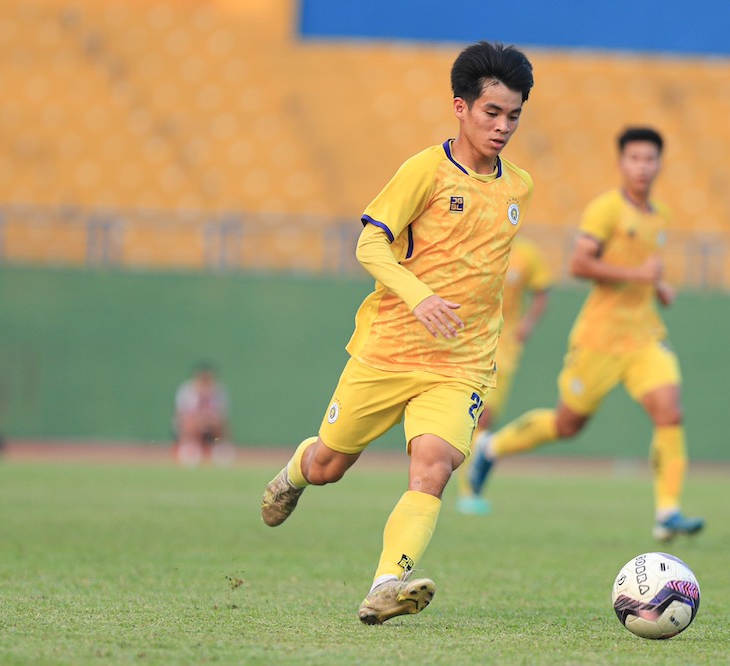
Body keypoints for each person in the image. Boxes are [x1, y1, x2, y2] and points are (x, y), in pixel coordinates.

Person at [259, 41, 534, 625]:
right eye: (492, 112)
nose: (503, 126)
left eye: (513, 115)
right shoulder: (424, 170)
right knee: (329, 465)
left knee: (433, 467)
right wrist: (420, 295)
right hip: (388, 349)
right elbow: (369, 243)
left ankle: (387, 584)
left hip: (462, 363)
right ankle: (292, 474)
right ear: (460, 107)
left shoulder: (519, 188)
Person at [467, 127, 705, 542]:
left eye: (650, 159)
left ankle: (667, 512)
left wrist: (658, 287)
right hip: (598, 339)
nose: (643, 167)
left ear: (659, 165)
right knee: (567, 424)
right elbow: (579, 265)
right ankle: (492, 448)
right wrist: (639, 275)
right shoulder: (605, 210)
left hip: (645, 335)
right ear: (620, 164)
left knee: (670, 412)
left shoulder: (660, 216)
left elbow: (643, 266)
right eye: (635, 158)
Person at [456, 234, 551, 514]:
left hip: (504, 347)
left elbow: (542, 292)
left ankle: (468, 488)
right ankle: (463, 486)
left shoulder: (526, 253)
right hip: (469, 340)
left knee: (484, 416)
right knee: (471, 414)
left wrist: (527, 324)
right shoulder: (474, 243)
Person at [173, 362, 234, 467]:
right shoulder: (187, 390)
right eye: (203, 379)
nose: (205, 383)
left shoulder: (219, 391)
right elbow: (181, 414)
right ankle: (190, 448)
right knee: (189, 422)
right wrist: (199, 419)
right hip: (192, 424)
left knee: (219, 423)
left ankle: (220, 449)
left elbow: (222, 415)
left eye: (208, 379)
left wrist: (208, 419)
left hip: (210, 424)